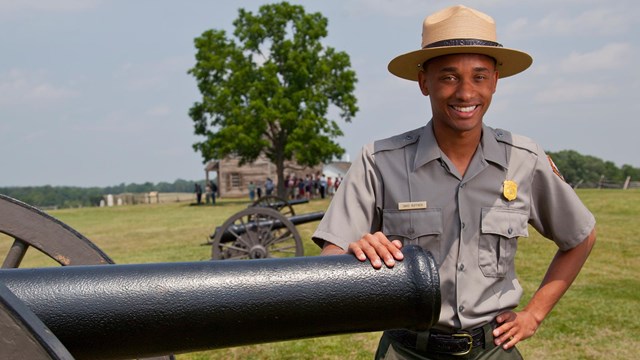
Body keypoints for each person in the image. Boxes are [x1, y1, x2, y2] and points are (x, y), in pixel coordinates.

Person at [312, 5, 596, 360]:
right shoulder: (379, 162)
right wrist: (356, 254)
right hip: (407, 351)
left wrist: (534, 314)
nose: (465, 93)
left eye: (479, 76)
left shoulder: (524, 159)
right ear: (423, 82)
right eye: (448, 77)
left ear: (495, 80)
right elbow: (330, 260)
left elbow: (581, 237)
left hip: (493, 351)